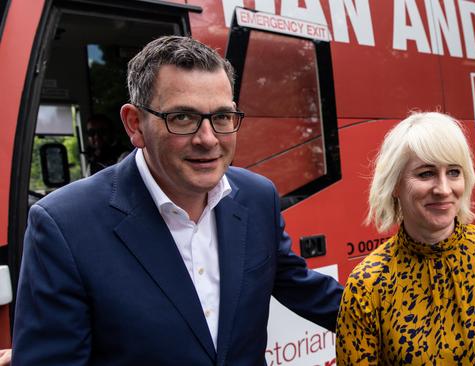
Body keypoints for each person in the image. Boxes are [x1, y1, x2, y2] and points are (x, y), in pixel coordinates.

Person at [12, 35, 342, 365]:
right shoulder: (64, 226)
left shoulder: (258, 197)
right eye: (182, 117)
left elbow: (302, 288)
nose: (208, 139)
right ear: (135, 124)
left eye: (223, 117)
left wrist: (390, 316)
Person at [336, 112, 475, 365]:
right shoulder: (367, 285)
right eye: (426, 174)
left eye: (453, 172)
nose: (443, 189)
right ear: (394, 184)